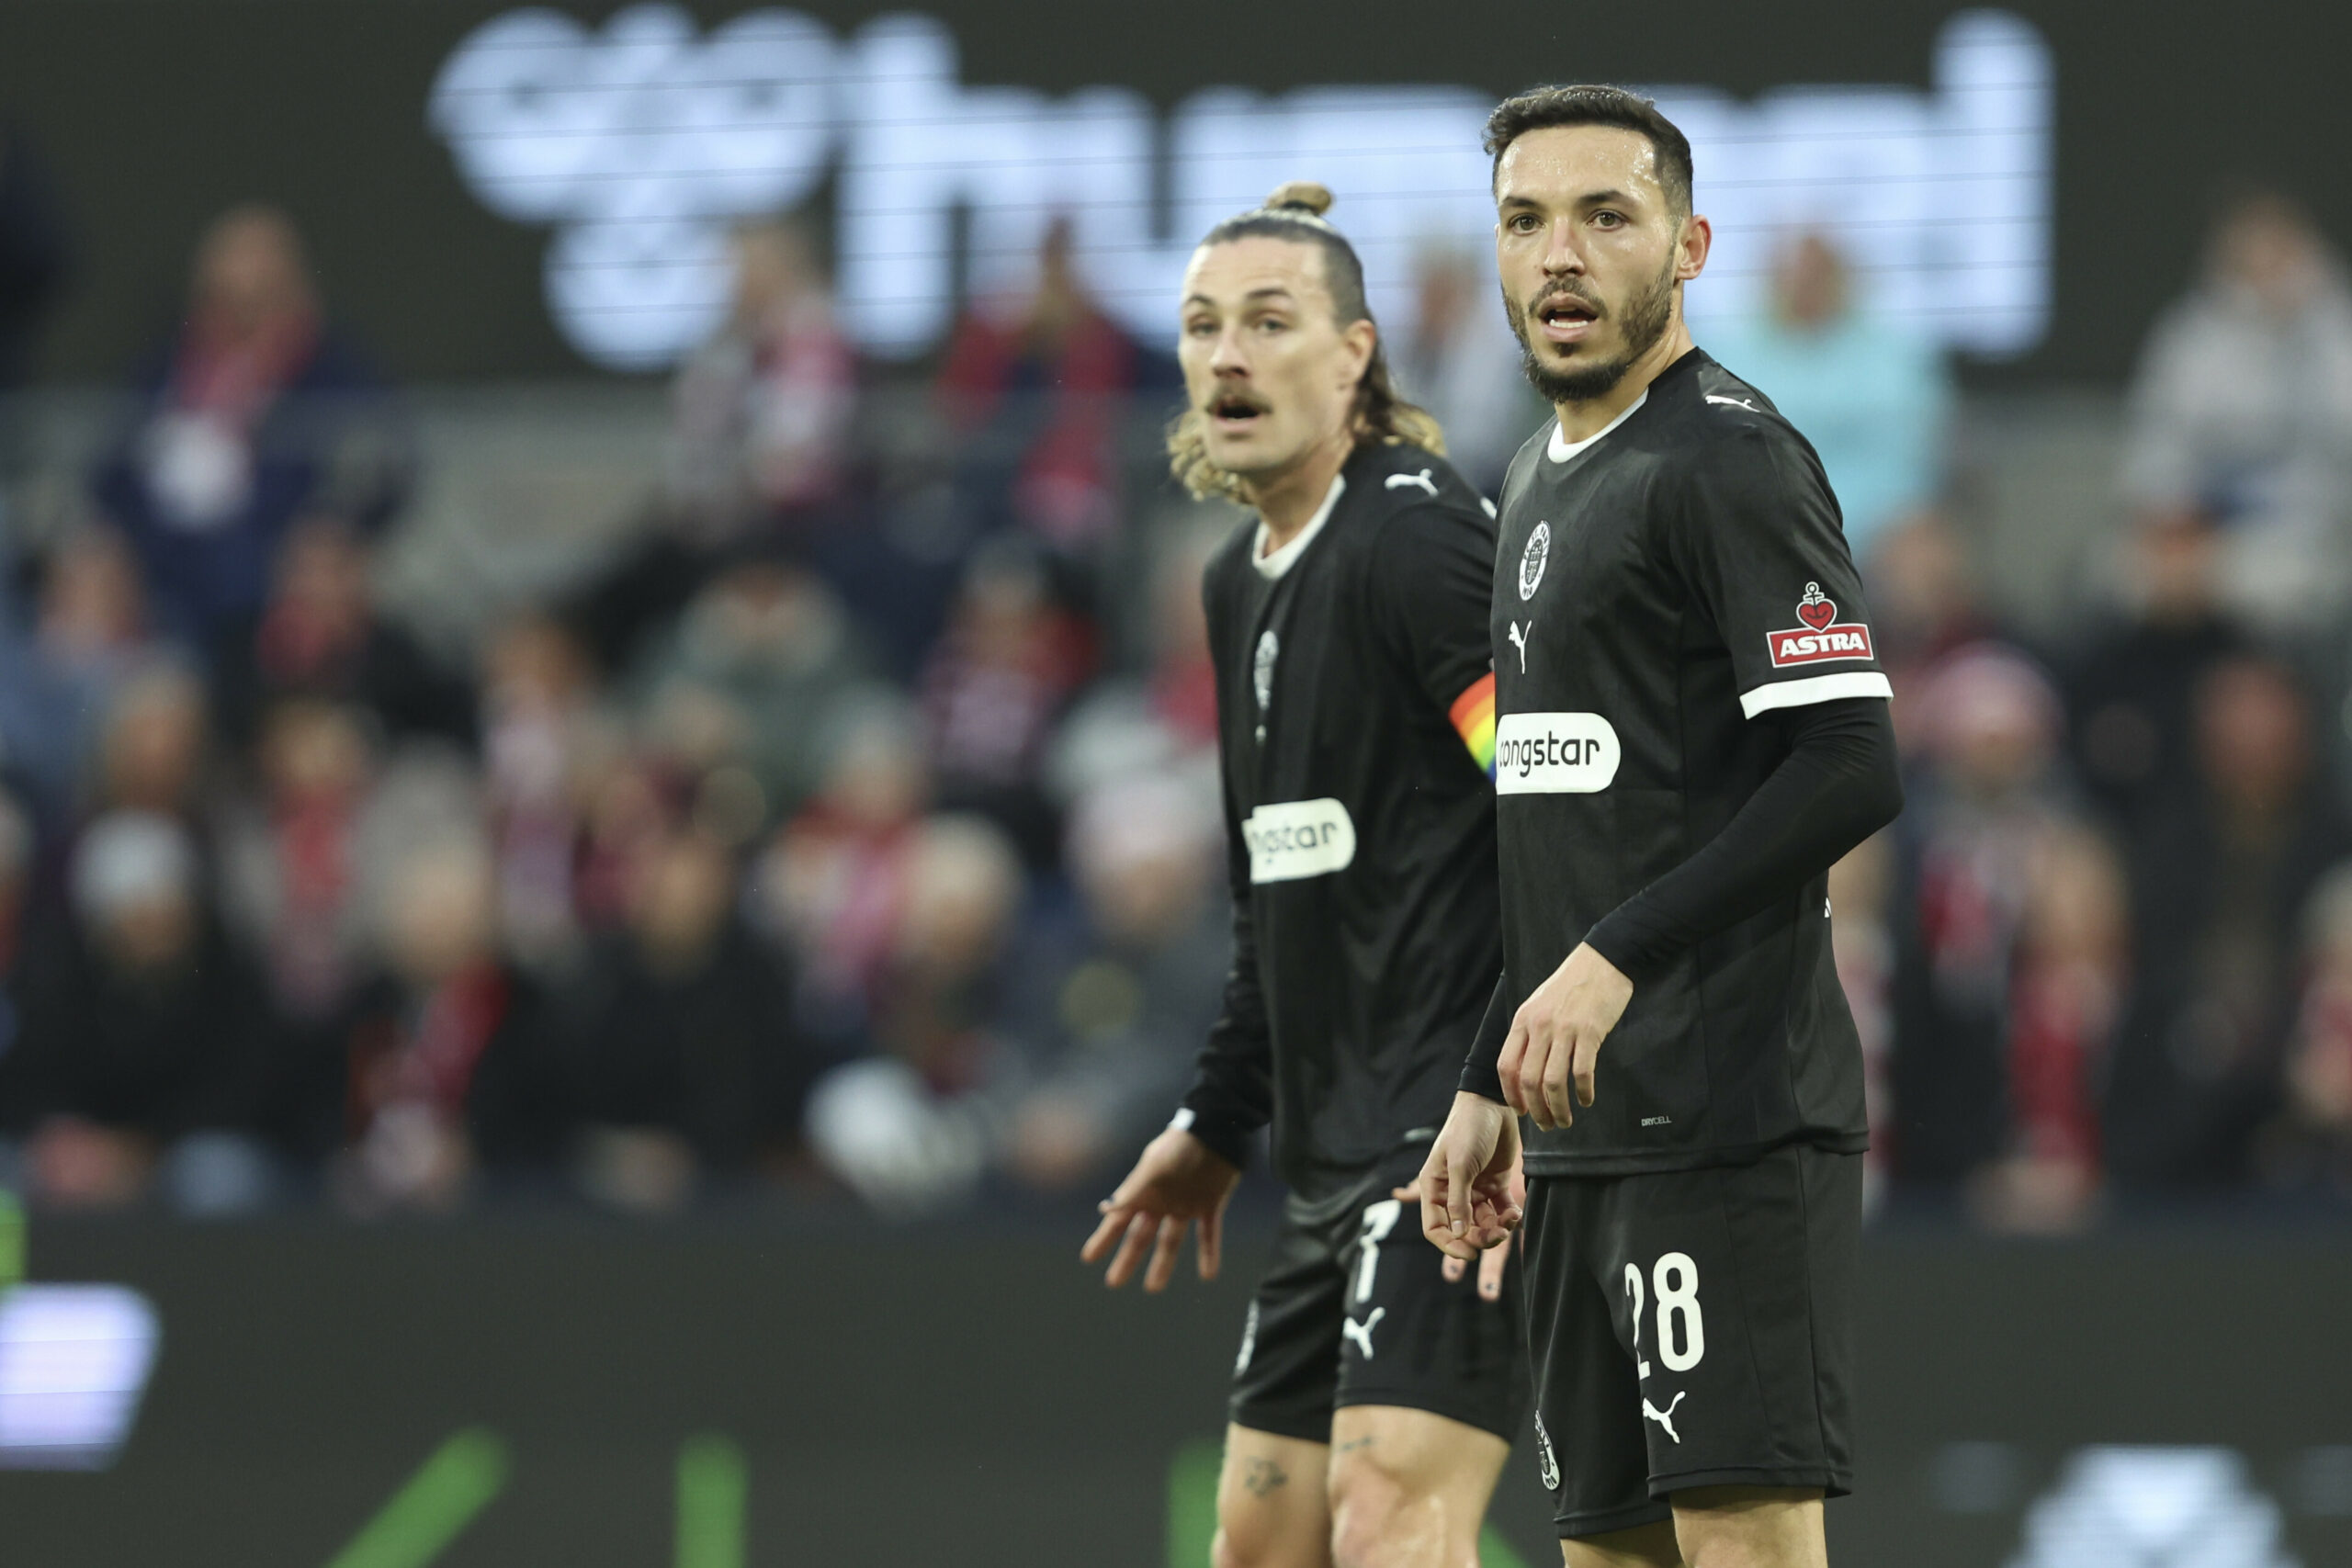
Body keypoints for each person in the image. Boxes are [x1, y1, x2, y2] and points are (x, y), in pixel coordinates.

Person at [1415, 89, 1903, 1568]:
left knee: (1744, 1543)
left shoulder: (1731, 460)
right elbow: (1577, 815)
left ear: (1687, 246)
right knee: (1611, 1553)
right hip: (1577, 1138)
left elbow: (1849, 762)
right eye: (1525, 221)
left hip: (1728, 1117)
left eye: (1604, 217)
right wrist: (1490, 1069)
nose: (1560, 255)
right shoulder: (1528, 480)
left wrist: (1617, 956)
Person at [1080, 183, 1521, 1568]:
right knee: (1263, 1543)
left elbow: (1560, 805)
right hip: (1330, 1159)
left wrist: (1504, 1082)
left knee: (1389, 1518)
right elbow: (1275, 894)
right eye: (1204, 324)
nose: (1228, 356)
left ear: (1356, 356)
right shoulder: (1238, 580)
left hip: (1450, 1143)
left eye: (1271, 322)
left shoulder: (1415, 538)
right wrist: (1219, 1117)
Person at [1704, 230, 1952, 563]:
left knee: (1921, 553)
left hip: (1880, 528)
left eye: (1817, 274)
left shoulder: (1896, 358)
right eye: (1796, 274)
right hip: (1758, 520)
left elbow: (1912, 464)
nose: (1806, 286)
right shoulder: (1726, 357)